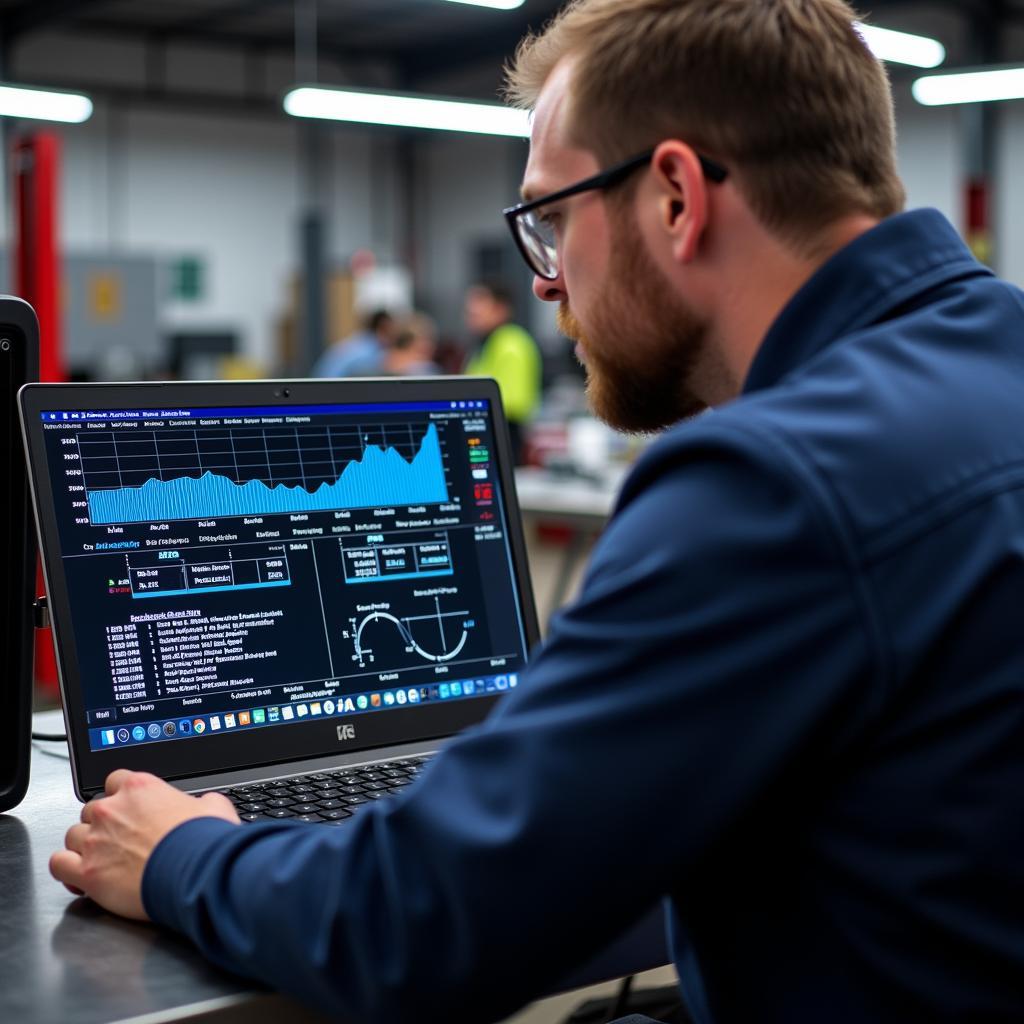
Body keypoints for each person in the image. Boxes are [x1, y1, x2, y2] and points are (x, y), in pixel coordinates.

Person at [51, 2, 1024, 1022]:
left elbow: (418, 924)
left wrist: (182, 850)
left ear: (676, 198)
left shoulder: (768, 485)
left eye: (549, 219)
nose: (549, 284)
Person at [463, 280, 542, 462]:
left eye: (479, 305)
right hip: (483, 430)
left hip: (504, 434)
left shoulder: (511, 343)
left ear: (501, 309)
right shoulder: (486, 344)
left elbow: (515, 402)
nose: (472, 312)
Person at [311, 309, 396, 378]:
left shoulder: (359, 341)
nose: (392, 338)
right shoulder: (367, 350)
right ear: (382, 329)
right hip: (330, 391)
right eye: (390, 332)